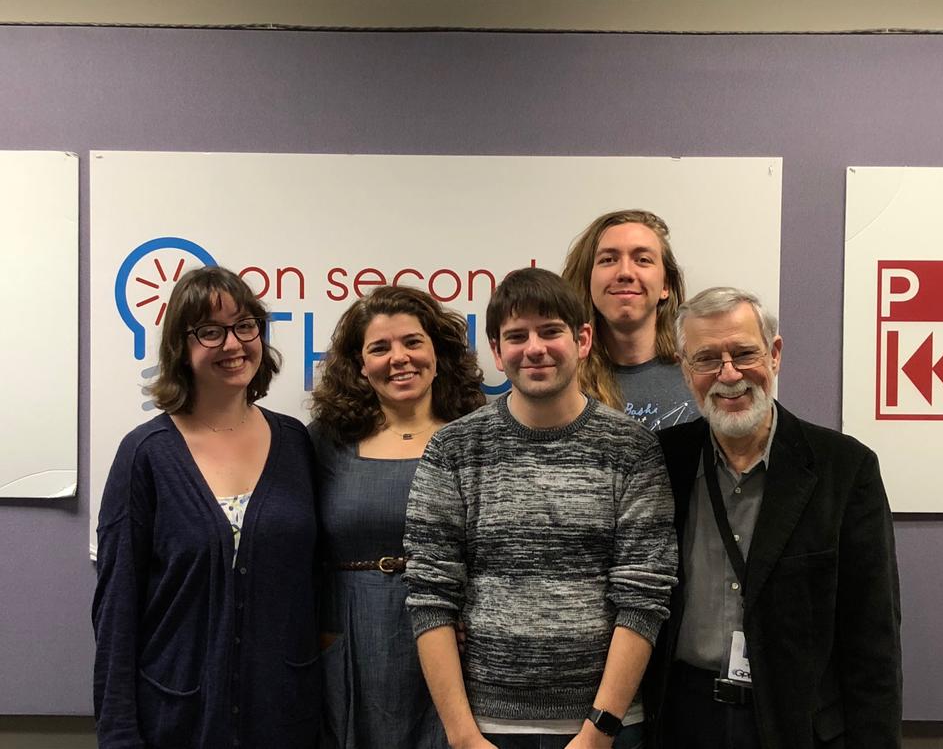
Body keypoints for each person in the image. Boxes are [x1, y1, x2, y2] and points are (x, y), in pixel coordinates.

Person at [404, 267, 677, 749]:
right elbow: (430, 596)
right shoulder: (454, 449)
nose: (535, 348)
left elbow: (644, 597)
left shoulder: (631, 449)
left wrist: (598, 731)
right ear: (496, 350)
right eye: (516, 335)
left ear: (583, 338)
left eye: (551, 331)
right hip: (486, 728)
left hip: (606, 727)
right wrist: (463, 735)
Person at [643, 287, 902, 749]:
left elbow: (872, 639)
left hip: (796, 723)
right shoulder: (663, 461)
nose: (729, 375)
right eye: (706, 359)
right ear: (686, 370)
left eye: (744, 354)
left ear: (775, 354)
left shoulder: (844, 469)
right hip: (682, 718)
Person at [92, 266, 321, 749]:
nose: (234, 344)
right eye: (210, 331)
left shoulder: (296, 443)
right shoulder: (146, 454)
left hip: (284, 716)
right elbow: (117, 609)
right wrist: (118, 734)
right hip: (176, 718)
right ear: (181, 345)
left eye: (245, 325)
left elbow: (316, 584)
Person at [309, 284, 485, 749]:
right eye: (379, 348)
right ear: (360, 365)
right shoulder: (325, 441)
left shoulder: (476, 435)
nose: (399, 358)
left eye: (412, 342)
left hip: (456, 637)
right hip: (350, 636)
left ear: (438, 352)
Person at [562, 209, 696, 429]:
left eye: (642, 260)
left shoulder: (699, 374)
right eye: (608, 260)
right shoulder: (561, 382)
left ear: (666, 286)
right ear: (588, 280)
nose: (625, 272)